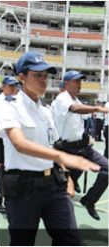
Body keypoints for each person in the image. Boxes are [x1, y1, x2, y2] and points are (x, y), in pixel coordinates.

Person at [0, 51, 100, 245]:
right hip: (23, 189)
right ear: (22, 77)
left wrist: (66, 175)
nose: (44, 81)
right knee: (23, 242)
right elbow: (19, 143)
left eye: (46, 76)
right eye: (37, 75)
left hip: (53, 185)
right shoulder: (7, 106)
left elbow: (51, 146)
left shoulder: (46, 112)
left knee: (70, 240)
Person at [51, 70, 108, 220]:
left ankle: (89, 200)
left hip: (84, 148)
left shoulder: (76, 100)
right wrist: (97, 108)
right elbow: (75, 110)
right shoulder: (62, 99)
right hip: (68, 150)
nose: (80, 84)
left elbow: (80, 120)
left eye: (80, 81)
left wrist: (87, 136)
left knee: (107, 169)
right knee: (63, 191)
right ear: (67, 83)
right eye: (76, 81)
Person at [0, 76, 19, 215]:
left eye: (15, 85)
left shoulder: (18, 101)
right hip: (0, 137)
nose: (13, 88)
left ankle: (9, 201)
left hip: (13, 139)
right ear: (3, 86)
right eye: (10, 86)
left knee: (10, 170)